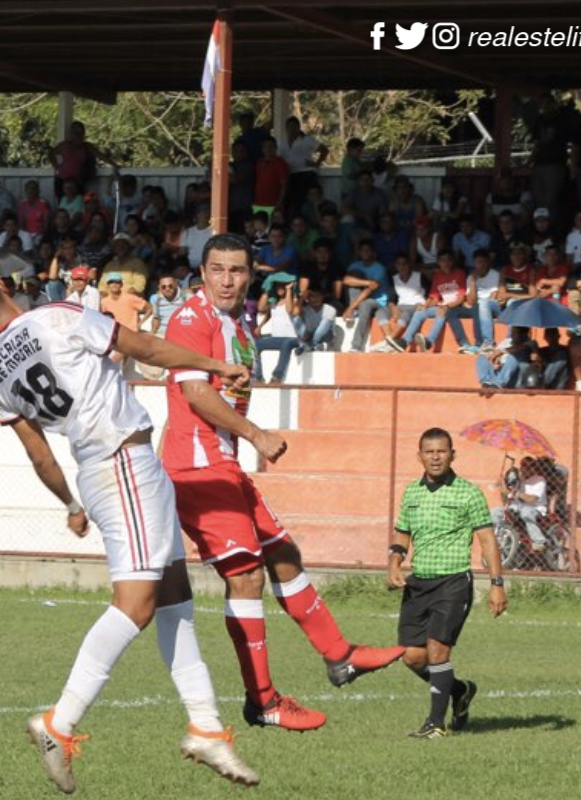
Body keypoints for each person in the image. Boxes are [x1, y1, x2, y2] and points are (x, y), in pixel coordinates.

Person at [0, 264, 259, 792]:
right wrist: (214, 365)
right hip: (124, 462)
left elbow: (38, 452)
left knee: (174, 597)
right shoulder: (56, 317)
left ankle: (205, 725)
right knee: (135, 603)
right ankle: (59, 723)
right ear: (2, 287)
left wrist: (70, 501)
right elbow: (145, 348)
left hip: (99, 469)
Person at [163, 233, 405, 733]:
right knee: (245, 576)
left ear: (250, 274)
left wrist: (238, 402)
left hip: (222, 463)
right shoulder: (191, 319)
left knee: (283, 553)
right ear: (202, 272)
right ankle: (264, 700)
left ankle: (340, 656)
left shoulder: (239, 320)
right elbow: (191, 393)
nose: (227, 279)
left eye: (237, 270)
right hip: (198, 468)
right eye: (217, 270)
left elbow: (223, 387)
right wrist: (254, 434)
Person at [389, 428, 507, 738]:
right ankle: (459, 690)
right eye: (429, 452)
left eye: (442, 451)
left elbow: (488, 541)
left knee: (438, 650)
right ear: (420, 456)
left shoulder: (468, 493)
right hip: (419, 584)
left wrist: (496, 584)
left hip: (453, 582)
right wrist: (394, 562)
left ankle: (435, 724)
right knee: (412, 657)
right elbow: (402, 533)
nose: (436, 457)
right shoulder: (412, 492)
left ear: (452, 455)